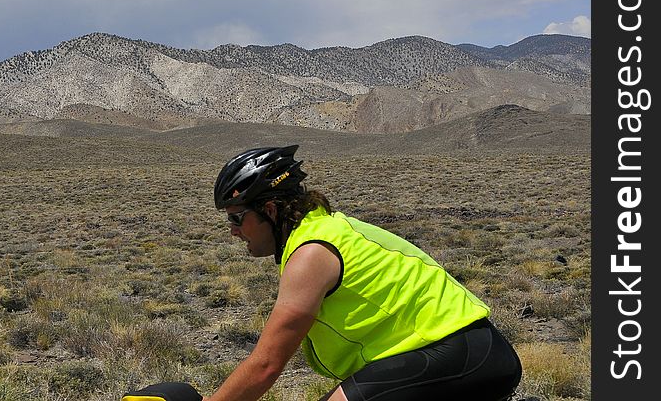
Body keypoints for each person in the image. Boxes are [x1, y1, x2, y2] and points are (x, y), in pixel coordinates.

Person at [202, 145, 522, 401]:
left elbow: (265, 366)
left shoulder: (312, 252)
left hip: (456, 351)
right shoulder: (321, 230)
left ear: (270, 210)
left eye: (236, 219)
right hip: (463, 349)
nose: (233, 232)